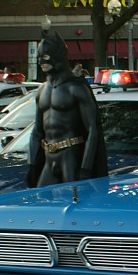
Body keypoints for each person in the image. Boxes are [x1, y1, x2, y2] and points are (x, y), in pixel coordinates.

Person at [25, 31, 106, 187]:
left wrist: (85, 168)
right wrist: (32, 164)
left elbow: (92, 129)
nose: (41, 61)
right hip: (49, 157)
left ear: (58, 56)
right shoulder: (42, 90)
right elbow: (37, 131)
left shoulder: (76, 88)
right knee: (42, 203)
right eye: (39, 57)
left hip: (71, 155)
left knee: (75, 203)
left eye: (46, 57)